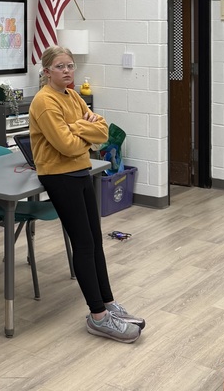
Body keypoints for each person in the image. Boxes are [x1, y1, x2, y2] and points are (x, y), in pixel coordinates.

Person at [28, 46, 145, 343]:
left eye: (70, 65)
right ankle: (98, 317)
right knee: (82, 243)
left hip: (80, 171)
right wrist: (84, 133)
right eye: (60, 67)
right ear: (46, 71)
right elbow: (66, 146)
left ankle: (108, 304)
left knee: (95, 241)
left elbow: (103, 131)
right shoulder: (44, 102)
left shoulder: (73, 95)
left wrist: (75, 130)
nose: (67, 71)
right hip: (58, 175)